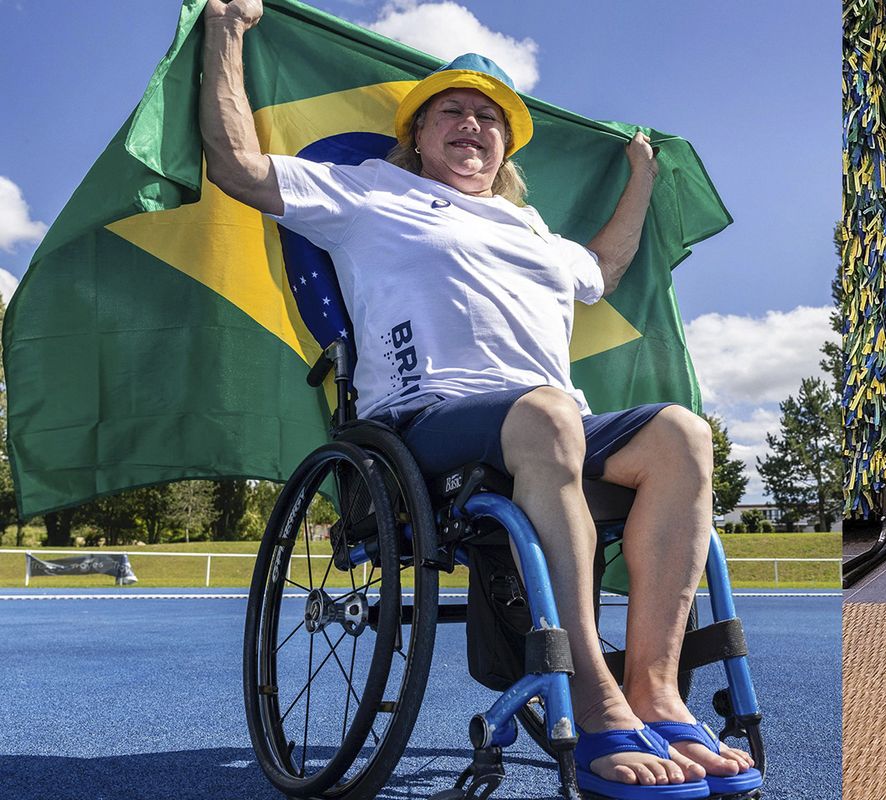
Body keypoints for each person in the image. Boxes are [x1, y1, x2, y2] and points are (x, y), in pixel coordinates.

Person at [199, 1, 759, 797]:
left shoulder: (530, 227)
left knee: (683, 434)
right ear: (417, 137)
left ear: (506, 148)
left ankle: (656, 693)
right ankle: (595, 697)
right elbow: (236, 165)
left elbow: (603, 267)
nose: (474, 124)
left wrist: (641, 177)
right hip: (425, 424)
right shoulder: (368, 193)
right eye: (453, 111)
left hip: (549, 424)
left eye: (491, 118)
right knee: (549, 412)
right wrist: (228, 30)